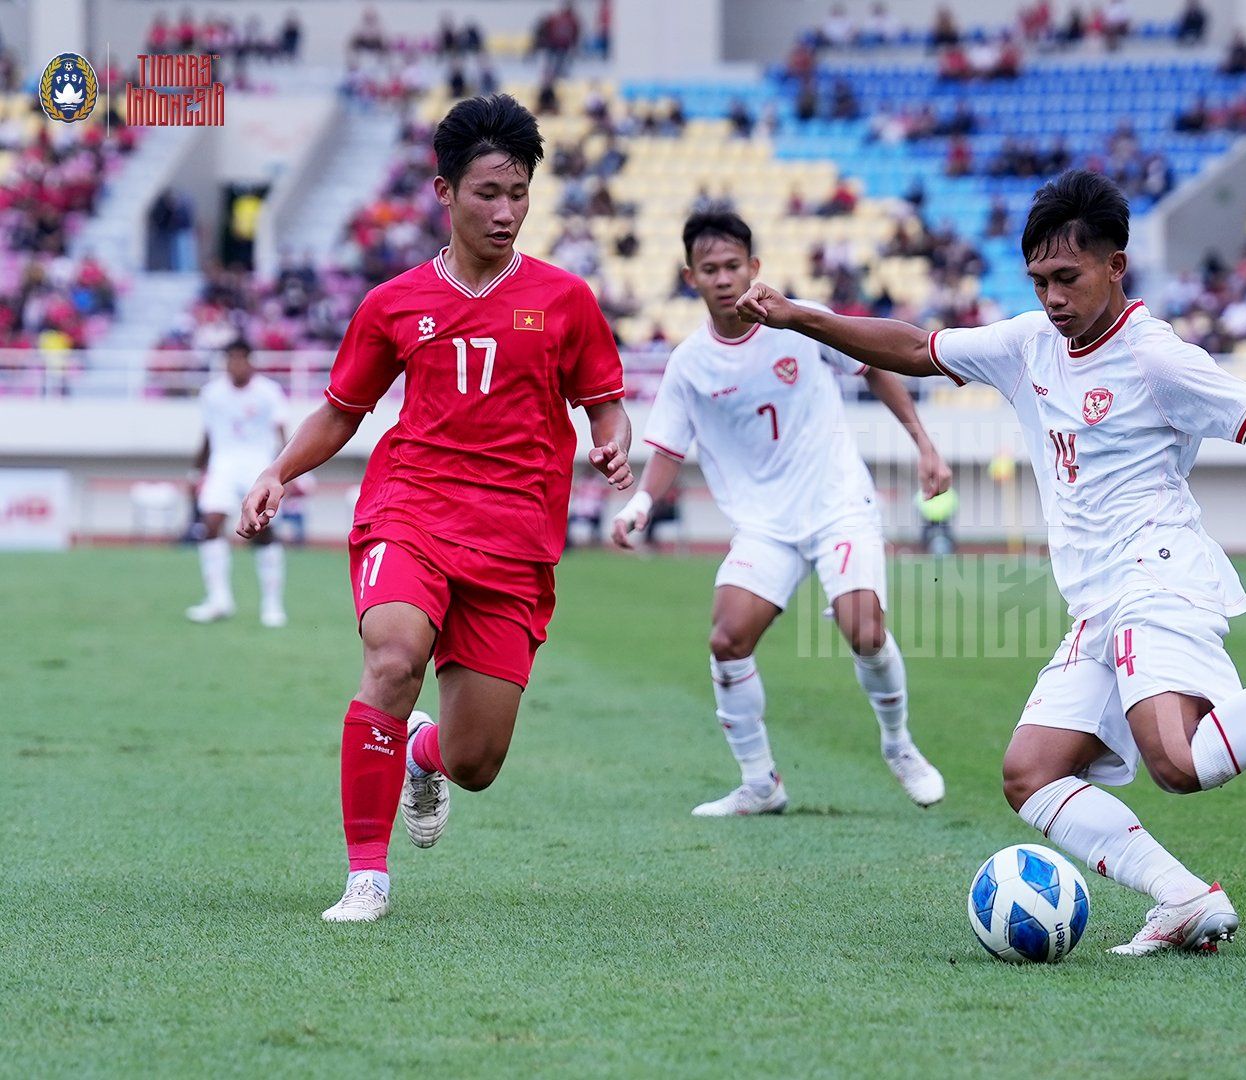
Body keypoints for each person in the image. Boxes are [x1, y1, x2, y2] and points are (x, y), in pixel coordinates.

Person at [734, 170, 1246, 956]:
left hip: (1159, 575)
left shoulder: (1158, 359)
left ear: (1115, 266)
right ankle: (1181, 898)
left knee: (1180, 760)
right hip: (1097, 601)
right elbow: (913, 346)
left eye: (1067, 277)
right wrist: (802, 318)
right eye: (1038, 281)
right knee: (1030, 774)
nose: (1052, 298)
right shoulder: (1028, 344)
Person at [236, 94, 633, 923]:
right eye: (489, 192)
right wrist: (280, 470)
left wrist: (612, 438)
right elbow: (343, 411)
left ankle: (421, 751)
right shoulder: (393, 303)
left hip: (515, 537)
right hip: (409, 509)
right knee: (391, 656)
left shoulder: (565, 301)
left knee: (476, 759)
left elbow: (604, 403)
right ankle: (366, 879)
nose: (506, 210)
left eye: (519, 192)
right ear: (445, 193)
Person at [609, 211, 954, 815]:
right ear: (691, 277)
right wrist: (639, 502)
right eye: (710, 269)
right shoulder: (690, 362)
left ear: (754, 268)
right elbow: (667, 446)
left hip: (837, 503)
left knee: (865, 630)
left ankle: (899, 746)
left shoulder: (796, 323)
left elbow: (873, 365)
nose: (722, 279)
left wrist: (923, 443)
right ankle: (761, 783)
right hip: (766, 525)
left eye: (733, 267)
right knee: (727, 638)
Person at [187, 340, 290, 627]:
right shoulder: (212, 393)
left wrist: (289, 472)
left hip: (258, 464)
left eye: (239, 358)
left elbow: (283, 432)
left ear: (250, 360)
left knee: (262, 531)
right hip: (223, 463)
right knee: (210, 523)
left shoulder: (268, 392)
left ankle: (272, 604)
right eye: (229, 359)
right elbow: (208, 435)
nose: (234, 365)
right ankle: (219, 599)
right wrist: (197, 472)